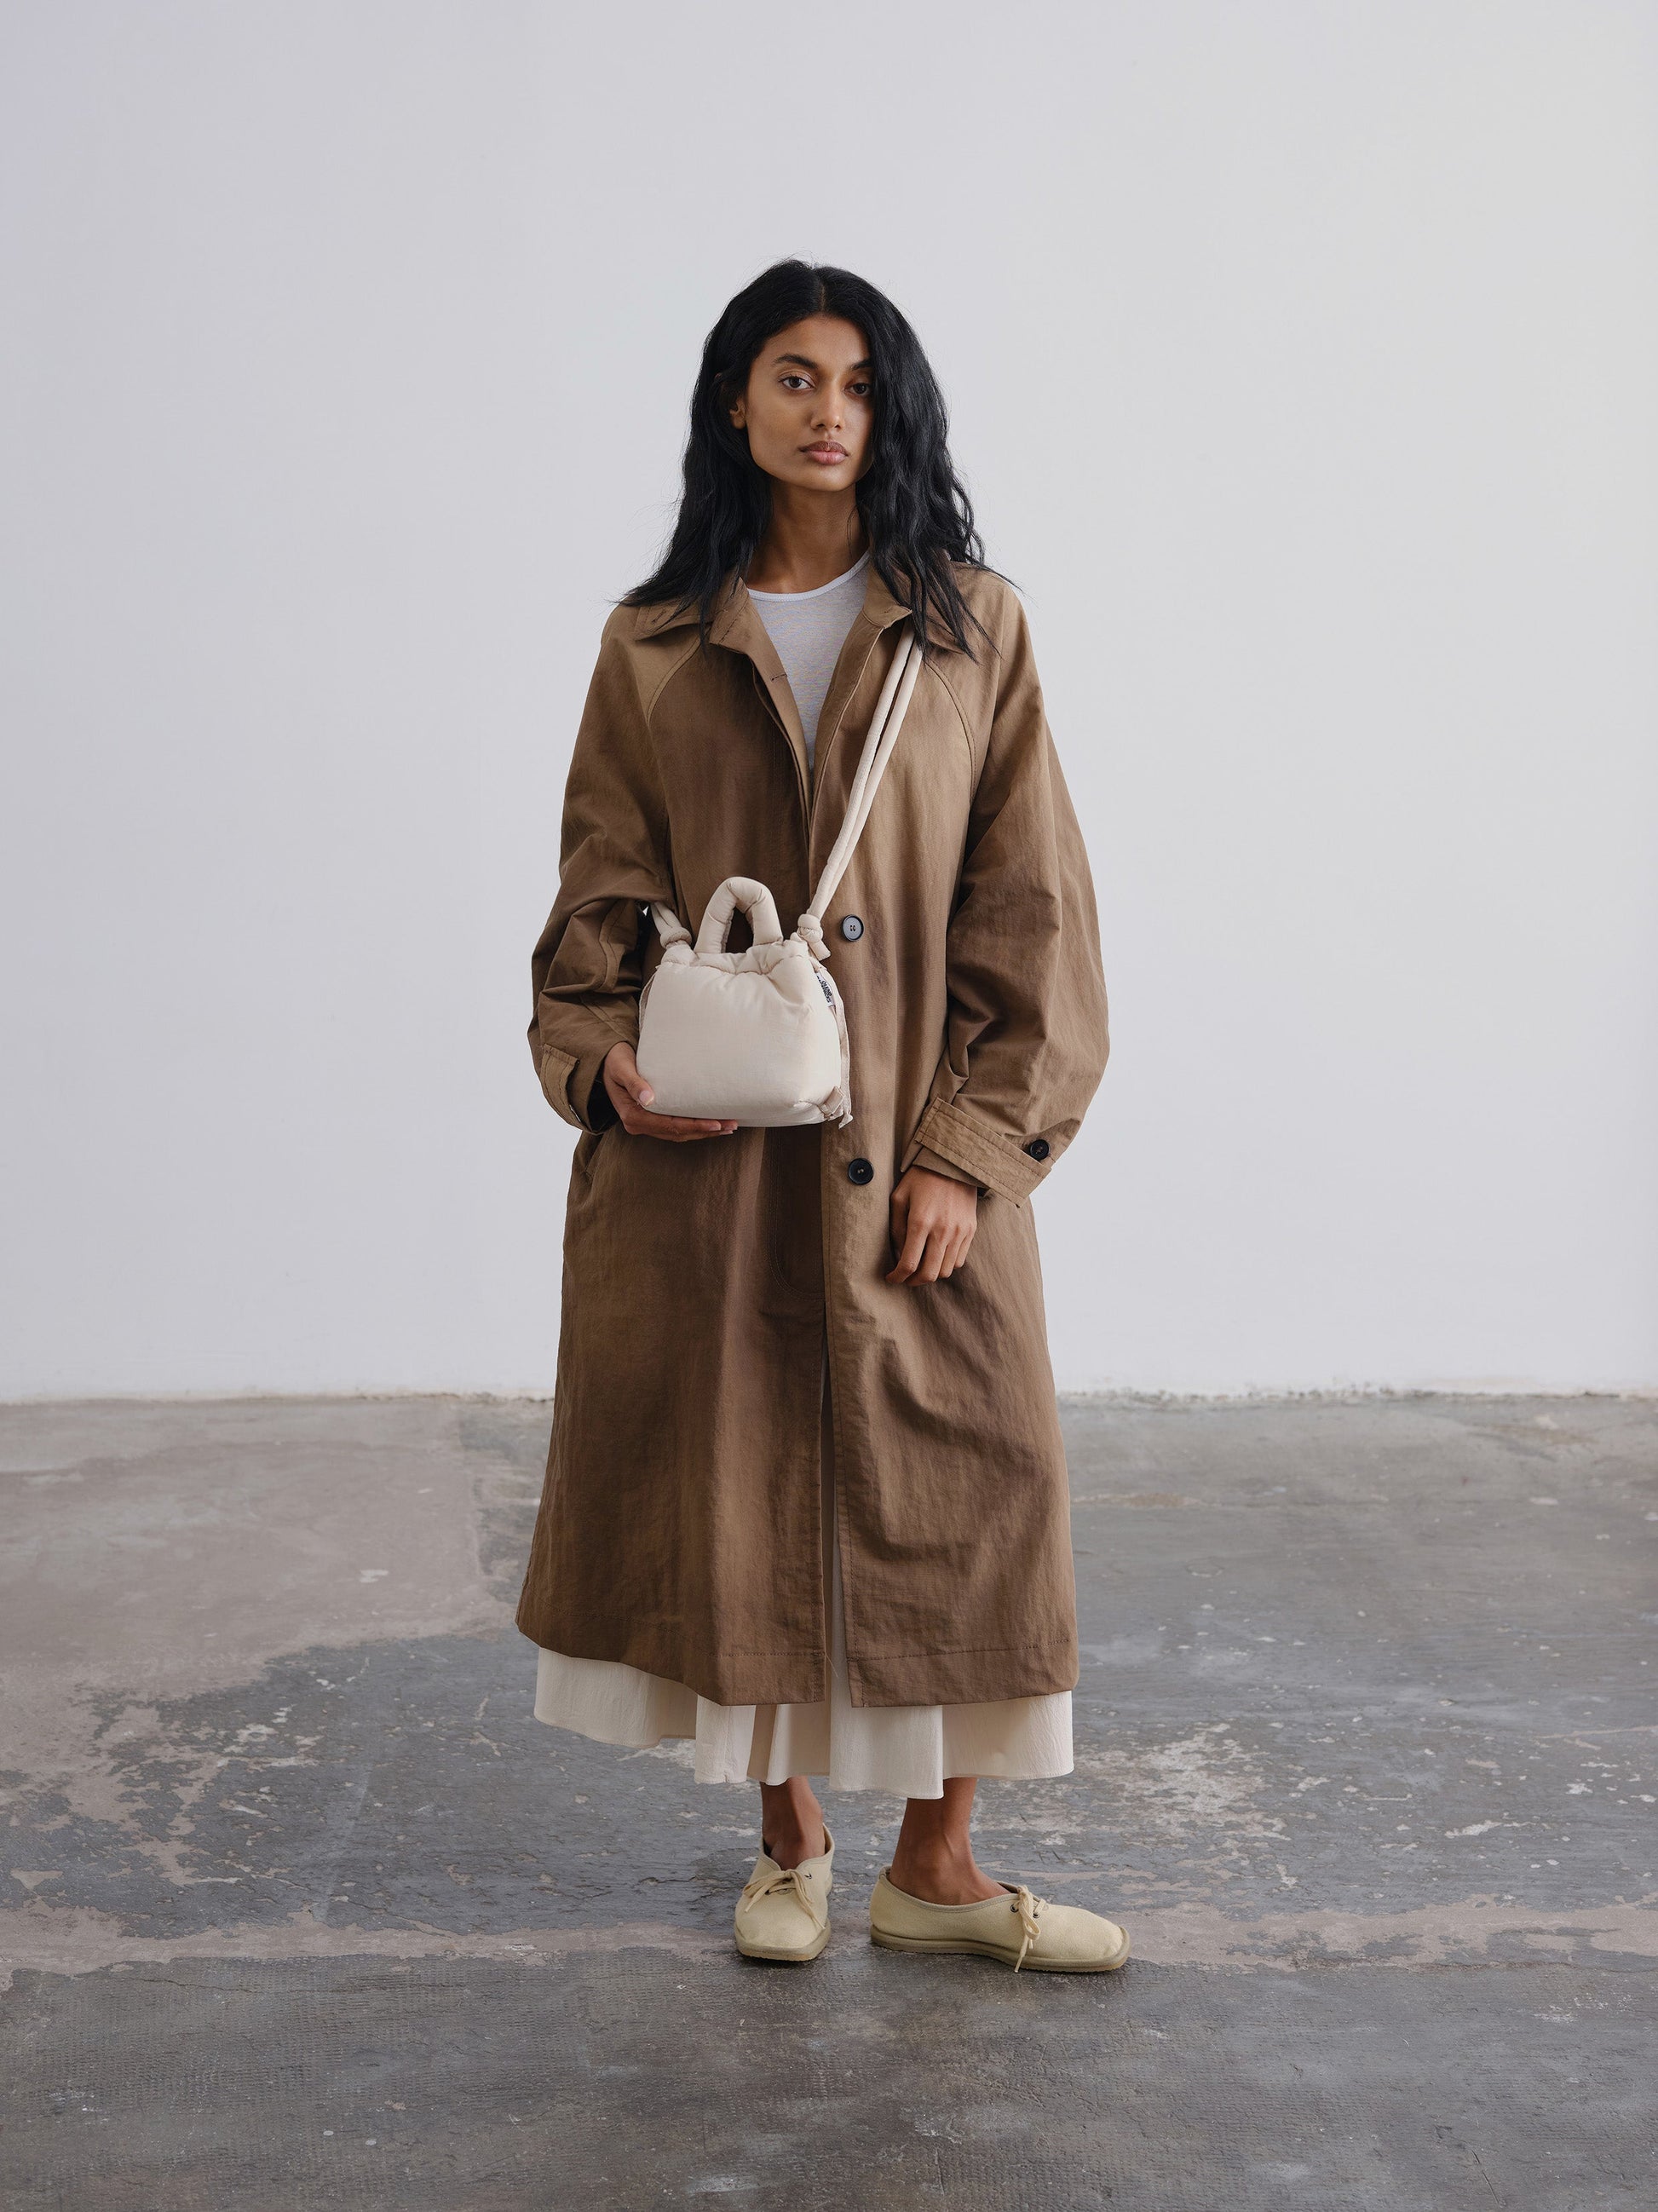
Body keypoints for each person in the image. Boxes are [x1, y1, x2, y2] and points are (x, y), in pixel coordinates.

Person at [517, 260, 1125, 1973]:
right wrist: (606, 1065)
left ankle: (939, 1868)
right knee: (732, 1491)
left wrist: (971, 1155)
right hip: (707, 1161)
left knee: (970, 1486)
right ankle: (785, 1839)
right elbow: (594, 896)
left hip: (910, 1146)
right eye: (792, 376)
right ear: (736, 402)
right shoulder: (651, 643)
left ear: (891, 410)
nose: (827, 411)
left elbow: (1032, 912)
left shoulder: (969, 626)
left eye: (858, 383)